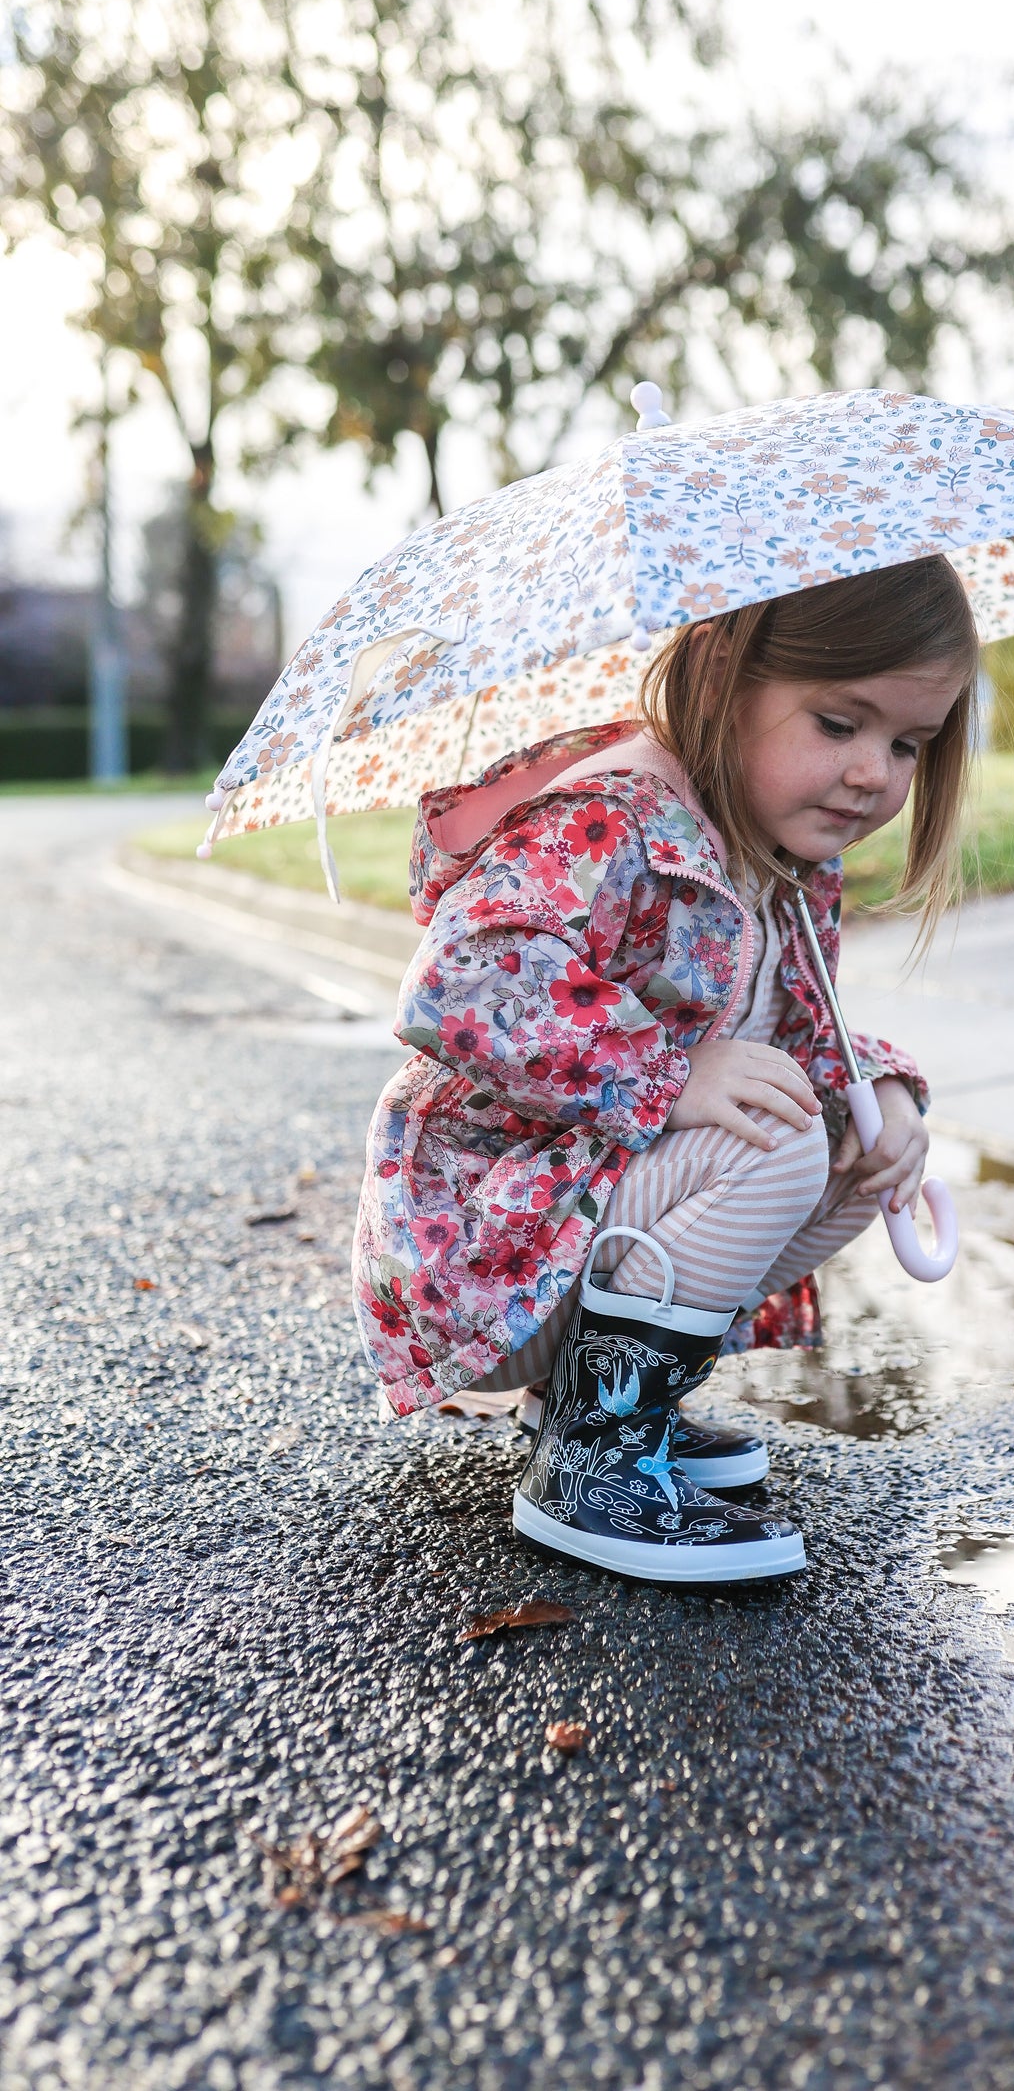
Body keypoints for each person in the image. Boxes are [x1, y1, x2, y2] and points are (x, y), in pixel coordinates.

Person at [353, 556, 978, 1582]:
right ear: (723, 674)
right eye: (838, 723)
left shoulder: (778, 862)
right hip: (483, 1248)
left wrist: (889, 1095)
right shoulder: (614, 819)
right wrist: (668, 1073)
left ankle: (603, 1405)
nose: (873, 771)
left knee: (841, 1141)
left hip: (567, 1226)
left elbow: (798, 1047)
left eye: (907, 743)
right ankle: (593, 1461)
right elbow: (455, 981)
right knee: (768, 1135)